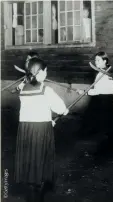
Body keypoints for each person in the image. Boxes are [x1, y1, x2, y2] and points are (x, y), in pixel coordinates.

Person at [14, 58, 69, 202]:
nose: (46, 73)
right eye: (45, 70)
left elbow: (31, 110)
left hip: (25, 129)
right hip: (40, 130)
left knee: (29, 158)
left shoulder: (23, 89)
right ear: (39, 73)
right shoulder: (46, 89)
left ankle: (31, 187)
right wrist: (64, 111)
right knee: (40, 158)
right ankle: (38, 190)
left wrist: (48, 120)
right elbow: (60, 108)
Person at [77, 52, 113, 141]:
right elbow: (98, 89)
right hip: (101, 99)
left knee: (102, 123)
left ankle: (103, 142)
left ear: (105, 61)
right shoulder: (100, 73)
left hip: (104, 101)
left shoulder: (105, 74)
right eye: (95, 60)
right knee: (95, 121)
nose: (96, 62)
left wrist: (85, 92)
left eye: (98, 60)